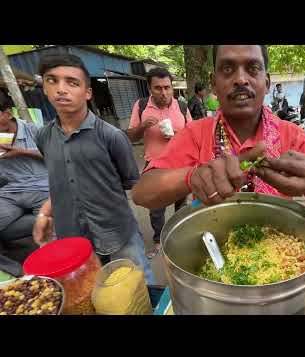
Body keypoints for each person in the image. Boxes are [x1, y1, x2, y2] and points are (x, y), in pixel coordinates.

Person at [131, 45, 305, 218]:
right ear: (214, 84)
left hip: (280, 260)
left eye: (253, 68)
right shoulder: (196, 134)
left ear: (266, 83)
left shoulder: (294, 137)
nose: (240, 79)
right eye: (227, 69)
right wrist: (193, 176)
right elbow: (142, 193)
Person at [32, 54, 155, 285]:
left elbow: (132, 183)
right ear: (45, 89)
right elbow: (62, 181)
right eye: (52, 80)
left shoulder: (112, 137)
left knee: (139, 287)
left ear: (87, 92)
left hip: (117, 230)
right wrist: (45, 213)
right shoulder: (43, 137)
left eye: (72, 82)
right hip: (73, 237)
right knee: (91, 292)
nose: (61, 89)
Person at [127, 67, 192, 259]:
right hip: (154, 166)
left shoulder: (181, 106)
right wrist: (142, 127)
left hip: (180, 165)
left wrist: (180, 135)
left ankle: (180, 237)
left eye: (167, 88)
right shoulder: (141, 106)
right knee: (156, 208)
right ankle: (158, 241)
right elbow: (130, 136)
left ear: (172, 88)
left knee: (181, 204)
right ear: (149, 88)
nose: (163, 93)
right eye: (158, 88)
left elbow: (193, 133)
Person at [0, 92, 48, 268]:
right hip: (9, 192)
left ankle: (53, 267)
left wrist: (21, 151)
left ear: (8, 113)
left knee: (50, 229)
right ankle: (15, 274)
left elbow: (57, 156)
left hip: (42, 188)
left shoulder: (34, 130)